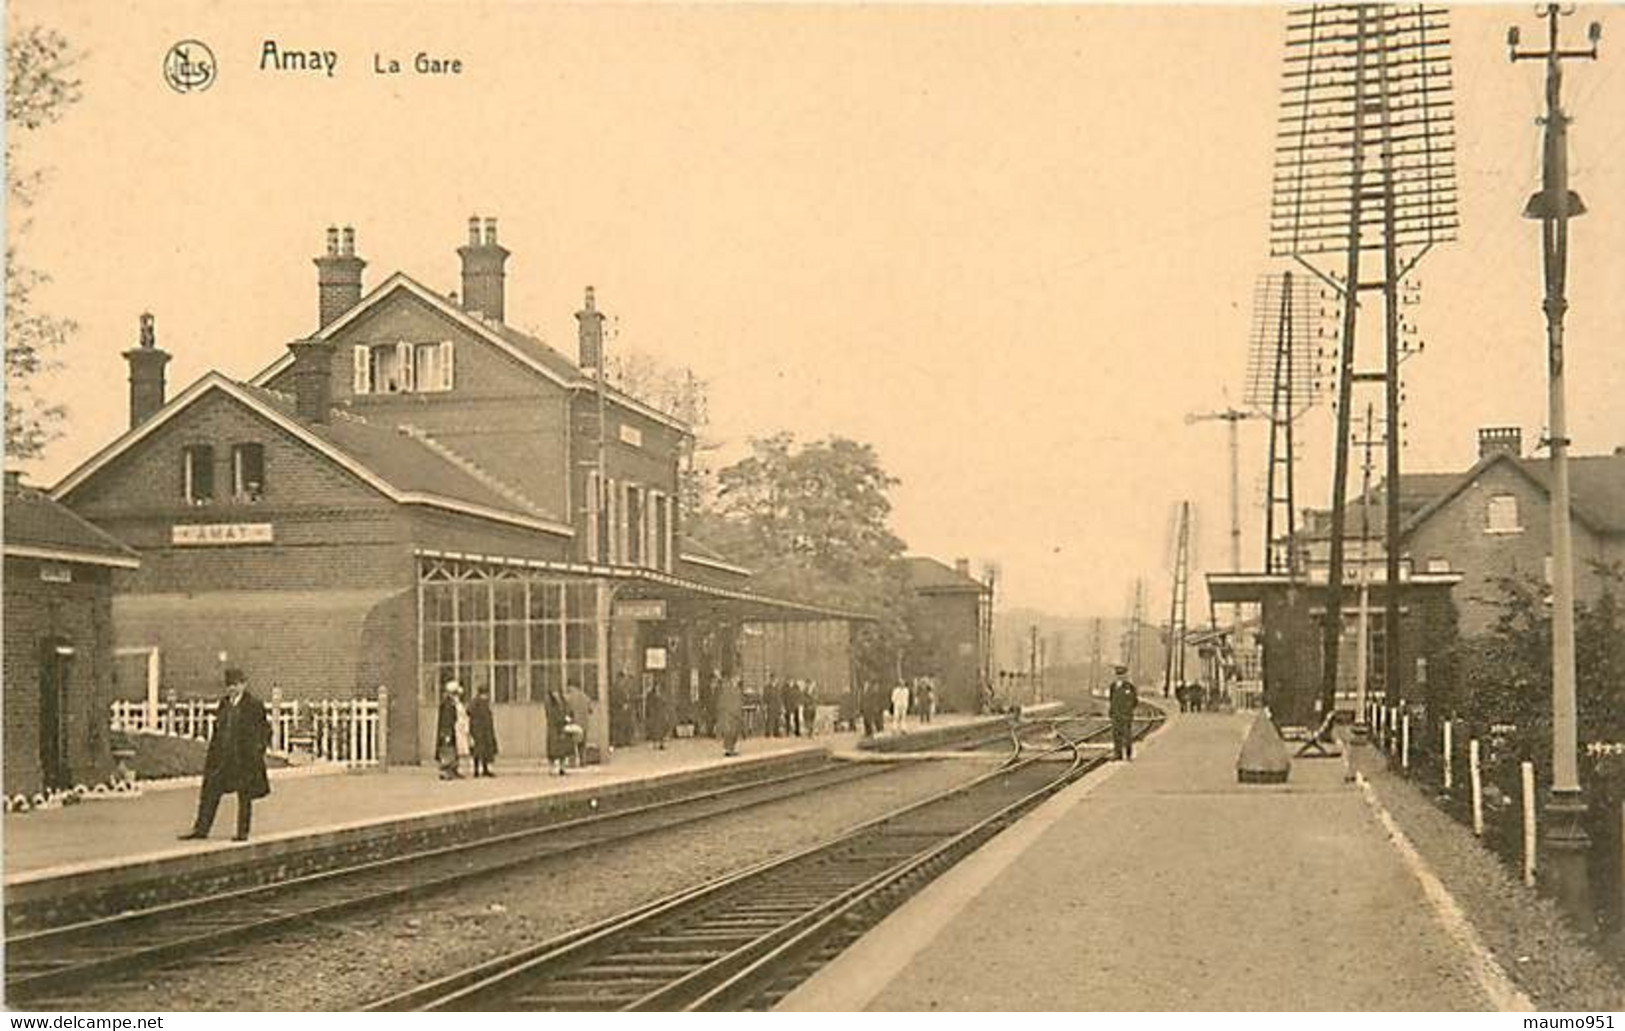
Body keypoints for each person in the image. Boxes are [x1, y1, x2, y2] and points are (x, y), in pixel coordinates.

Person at [179, 668, 271, 842]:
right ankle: (201, 829)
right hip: (223, 757)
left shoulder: (254, 705)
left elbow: (264, 730)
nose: (232, 689)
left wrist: (257, 750)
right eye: (229, 685)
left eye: (236, 685)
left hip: (244, 758)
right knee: (210, 792)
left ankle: (242, 832)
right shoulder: (224, 704)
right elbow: (218, 730)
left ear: (243, 684)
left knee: (245, 795)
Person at [1108, 665, 1139, 761]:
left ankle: (1128, 754)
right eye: (1118, 675)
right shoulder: (1113, 686)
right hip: (1116, 714)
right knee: (1116, 735)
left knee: (1127, 735)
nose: (1120, 677)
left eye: (1122, 675)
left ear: (1126, 675)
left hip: (1126, 715)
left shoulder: (1130, 687)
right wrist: (1112, 711)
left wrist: (1128, 710)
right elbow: (1111, 700)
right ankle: (1118, 754)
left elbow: (1135, 701)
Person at [435, 681, 465, 780]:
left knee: (452, 750)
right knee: (448, 750)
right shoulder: (448, 704)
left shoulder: (451, 703)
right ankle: (446, 771)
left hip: (452, 731)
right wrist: (447, 733)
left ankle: (452, 770)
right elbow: (447, 720)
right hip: (448, 731)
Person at [544, 685, 573, 776]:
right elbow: (552, 715)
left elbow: (569, 711)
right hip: (555, 728)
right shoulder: (550, 702)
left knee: (562, 750)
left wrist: (569, 717)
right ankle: (552, 768)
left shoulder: (563, 701)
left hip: (561, 728)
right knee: (554, 751)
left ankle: (561, 768)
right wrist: (564, 719)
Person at [468, 686, 498, 777]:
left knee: (482, 751)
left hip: (479, 730)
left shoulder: (476, 702)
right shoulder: (479, 703)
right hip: (481, 731)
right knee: (480, 751)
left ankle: (481, 770)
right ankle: (479, 770)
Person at [714, 673, 744, 757]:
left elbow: (740, 701)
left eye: (738, 679)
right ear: (732, 679)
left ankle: (733, 748)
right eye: (736, 679)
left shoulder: (738, 689)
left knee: (735, 732)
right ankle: (728, 749)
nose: (737, 680)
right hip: (729, 714)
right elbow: (724, 701)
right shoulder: (727, 689)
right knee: (729, 732)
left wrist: (739, 711)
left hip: (736, 714)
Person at [644, 682, 671, 750]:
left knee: (662, 729)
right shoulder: (650, 695)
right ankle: (655, 744)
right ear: (654, 687)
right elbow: (648, 705)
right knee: (655, 730)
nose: (657, 688)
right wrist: (649, 713)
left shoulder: (661, 694)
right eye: (656, 686)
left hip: (661, 714)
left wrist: (666, 712)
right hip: (655, 714)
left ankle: (662, 744)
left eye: (658, 687)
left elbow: (664, 703)